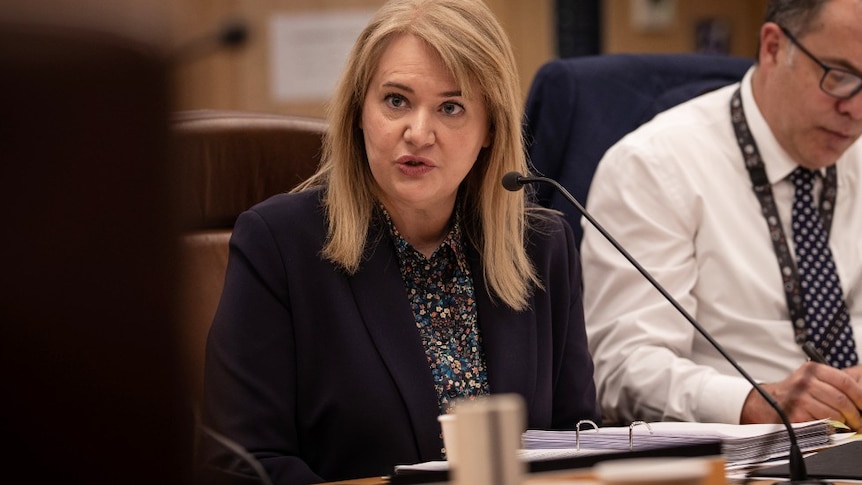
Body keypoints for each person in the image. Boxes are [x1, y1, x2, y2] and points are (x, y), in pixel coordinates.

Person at [200, 0, 599, 483]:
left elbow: (578, 442)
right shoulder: (279, 245)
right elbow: (244, 464)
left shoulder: (541, 245)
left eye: (451, 107)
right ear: (358, 113)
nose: (418, 132)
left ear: (491, 128)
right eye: (396, 101)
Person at [581, 0, 862, 430]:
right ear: (772, 48)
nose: (856, 110)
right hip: (748, 455)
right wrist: (751, 400)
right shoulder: (654, 166)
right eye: (840, 78)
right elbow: (623, 367)